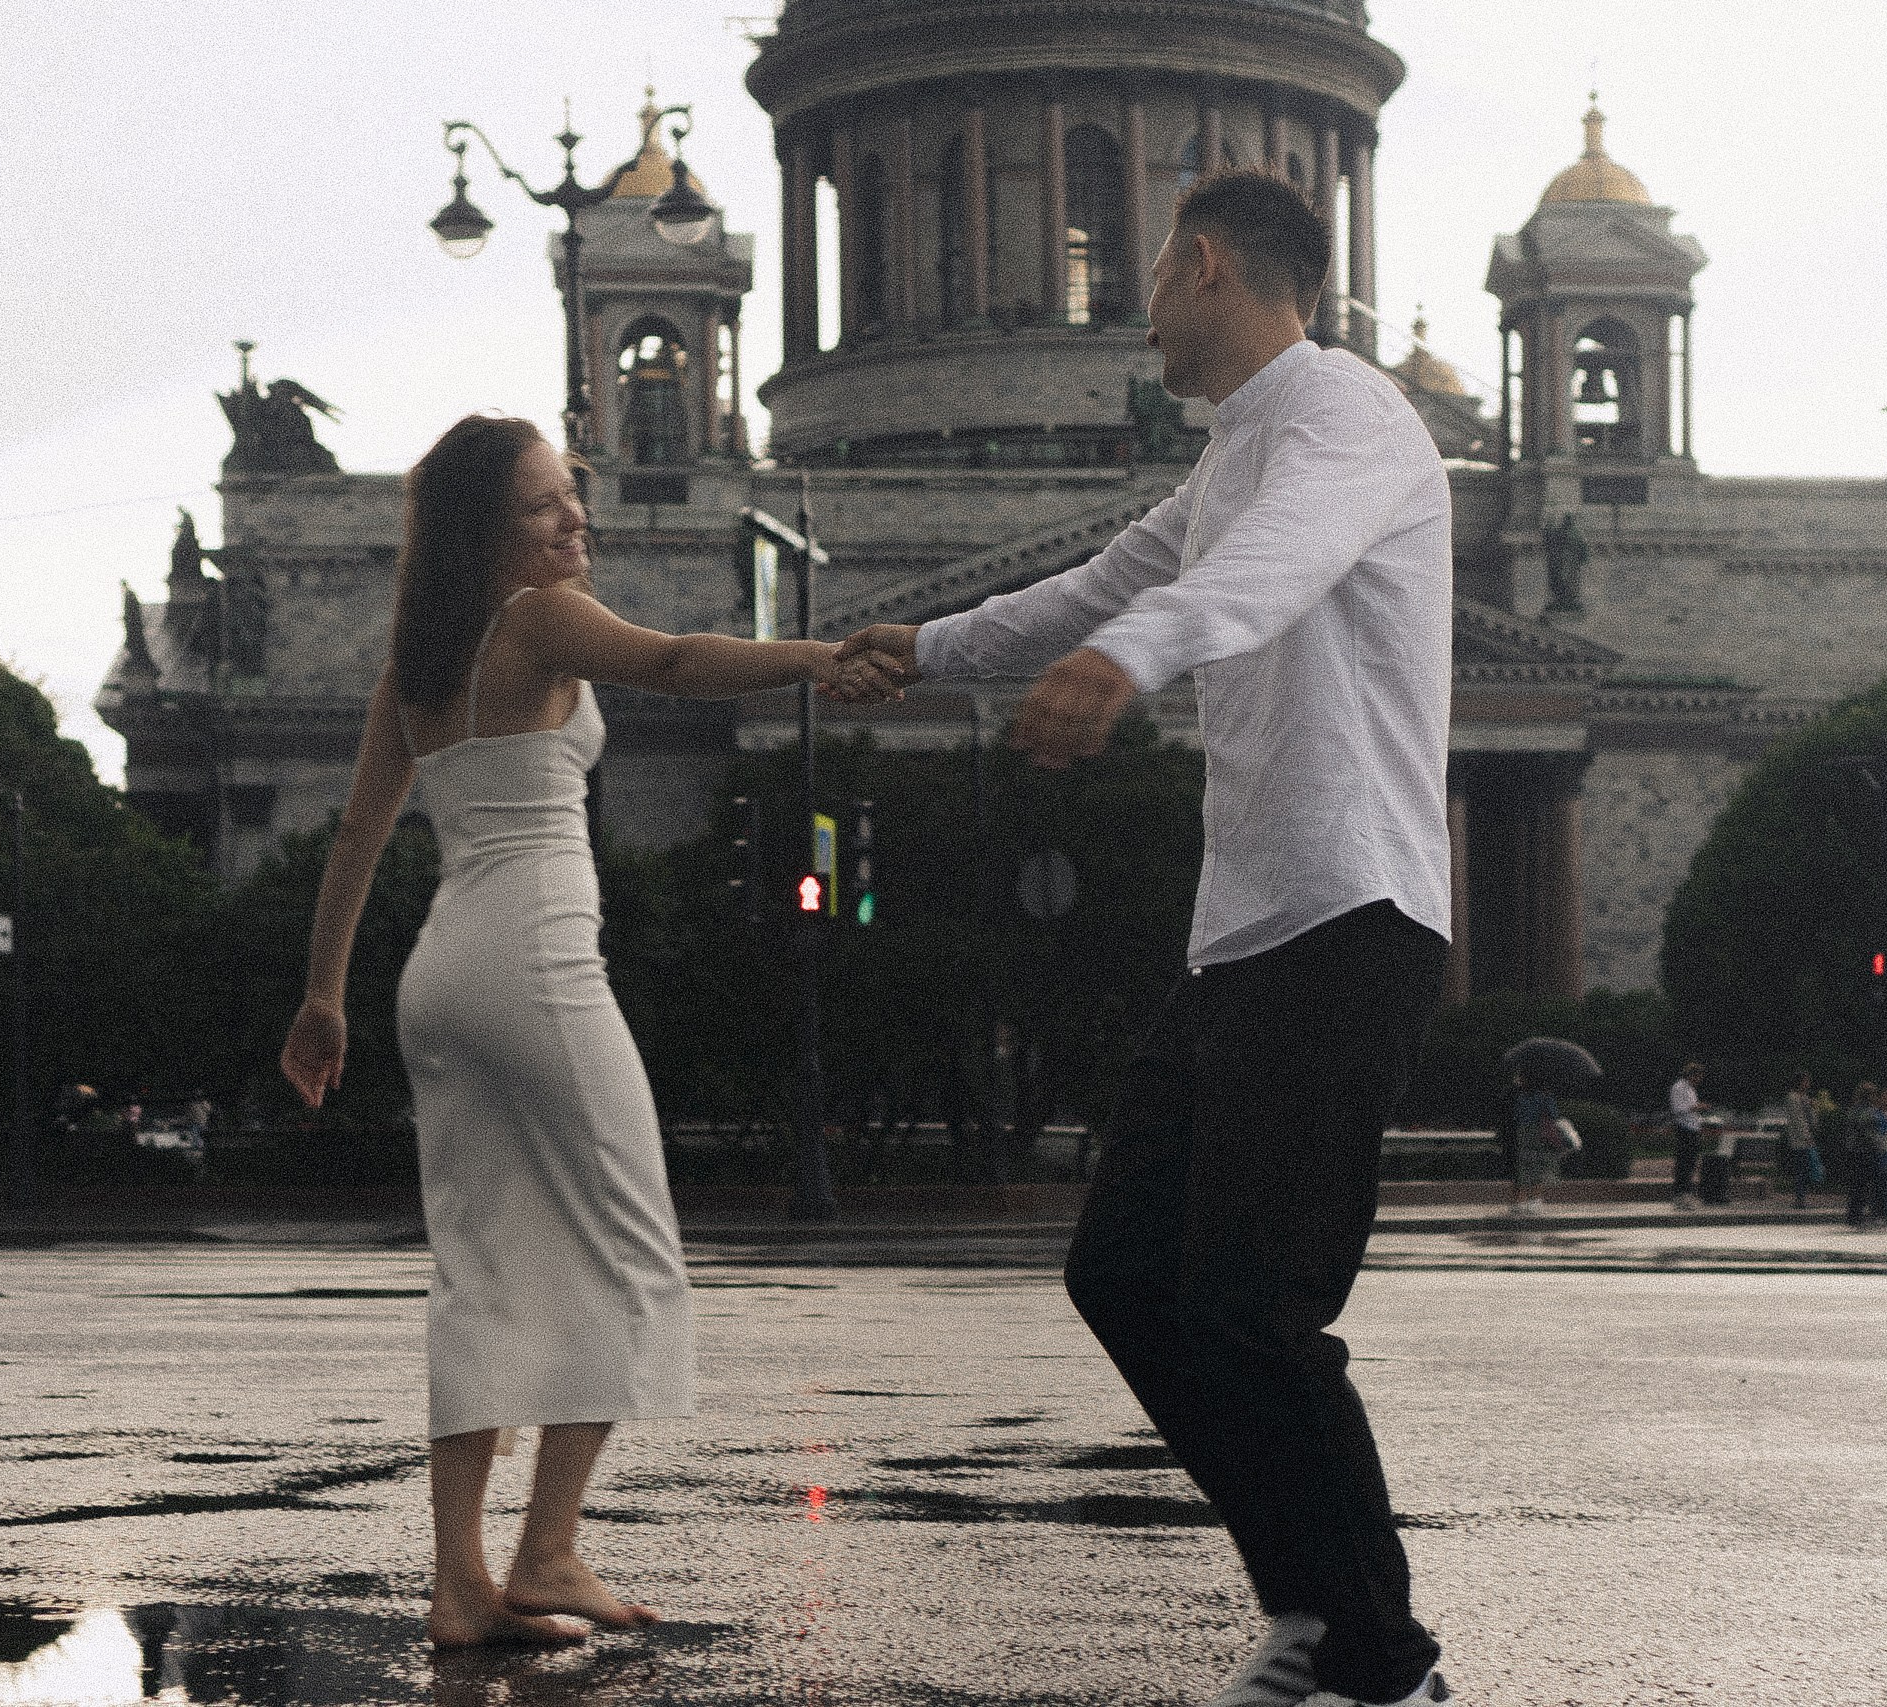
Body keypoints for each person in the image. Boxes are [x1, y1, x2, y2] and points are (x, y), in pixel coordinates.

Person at [841, 169, 1455, 1707]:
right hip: (1244, 936)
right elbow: (1096, 584)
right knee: (1124, 1272)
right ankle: (1315, 1609)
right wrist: (925, 646)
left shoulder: (1348, 418)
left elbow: (1268, 570)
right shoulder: (1232, 450)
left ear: (1206, 264)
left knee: (1258, 1306)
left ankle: (1380, 1663)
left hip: (1352, 911)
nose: (1144, 310)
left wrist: (1127, 661)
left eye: (1159, 274)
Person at [278, 415, 893, 1651]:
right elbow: (674, 660)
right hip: (535, 967)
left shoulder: (419, 662)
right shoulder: (536, 620)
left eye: (572, 495)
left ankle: (460, 1587)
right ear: (484, 534)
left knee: (483, 1272)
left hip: (439, 976)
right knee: (629, 1246)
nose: (575, 519)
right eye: (543, 505)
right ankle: (547, 1550)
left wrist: (322, 999)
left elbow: (355, 837)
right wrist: (820, 656)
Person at [1844, 1083, 1887, 1228]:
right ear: (1869, 1096)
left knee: (1857, 1185)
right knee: (1872, 1184)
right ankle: (1872, 1214)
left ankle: (1854, 1215)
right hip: (1865, 1152)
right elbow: (1869, 1134)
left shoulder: (1853, 1110)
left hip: (1853, 1151)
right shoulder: (1869, 1112)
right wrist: (1880, 1145)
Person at [1509, 1070, 1564, 1217]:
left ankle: (1521, 1201)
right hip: (1540, 1133)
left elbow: (1516, 1115)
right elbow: (1554, 1114)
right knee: (1538, 1165)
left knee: (1524, 1165)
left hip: (1523, 1132)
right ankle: (1535, 1200)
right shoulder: (1545, 1096)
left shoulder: (1520, 1097)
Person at [1668, 1062, 1706, 1209]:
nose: (1699, 1080)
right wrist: (1696, 1107)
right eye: (1698, 1077)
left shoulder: (1690, 1089)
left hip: (1693, 1128)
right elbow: (1677, 1109)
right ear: (1692, 1075)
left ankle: (1686, 1194)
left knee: (1691, 1163)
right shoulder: (1679, 1087)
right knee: (1683, 1163)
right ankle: (1680, 1195)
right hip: (1684, 1129)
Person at [1781, 1071, 1820, 1209]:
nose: (1808, 1084)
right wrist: (1806, 1137)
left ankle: (1802, 1197)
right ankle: (1800, 1198)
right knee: (1801, 1170)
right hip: (1799, 1141)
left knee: (1806, 1169)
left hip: (1807, 1139)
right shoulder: (1792, 1098)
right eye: (1805, 1081)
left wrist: (1813, 1108)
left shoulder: (1805, 1098)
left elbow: (1812, 1120)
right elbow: (1798, 1120)